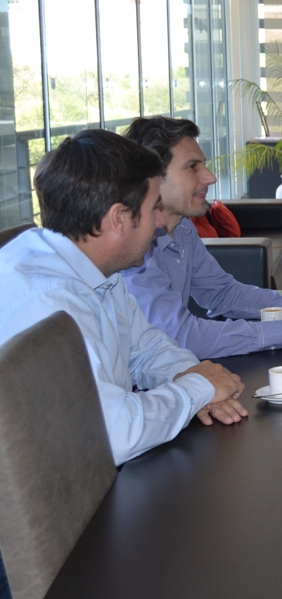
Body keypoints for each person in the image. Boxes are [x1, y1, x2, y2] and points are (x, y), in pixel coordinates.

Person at [0, 130, 247, 467]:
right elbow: (111, 434)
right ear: (119, 219)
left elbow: (145, 348)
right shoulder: (50, 303)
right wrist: (199, 389)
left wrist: (190, 373)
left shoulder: (92, 265)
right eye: (153, 208)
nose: (160, 222)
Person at [121, 116, 282, 359]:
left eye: (204, 164)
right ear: (151, 177)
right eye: (192, 167)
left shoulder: (182, 228)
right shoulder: (131, 247)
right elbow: (178, 335)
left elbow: (222, 293)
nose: (210, 177)